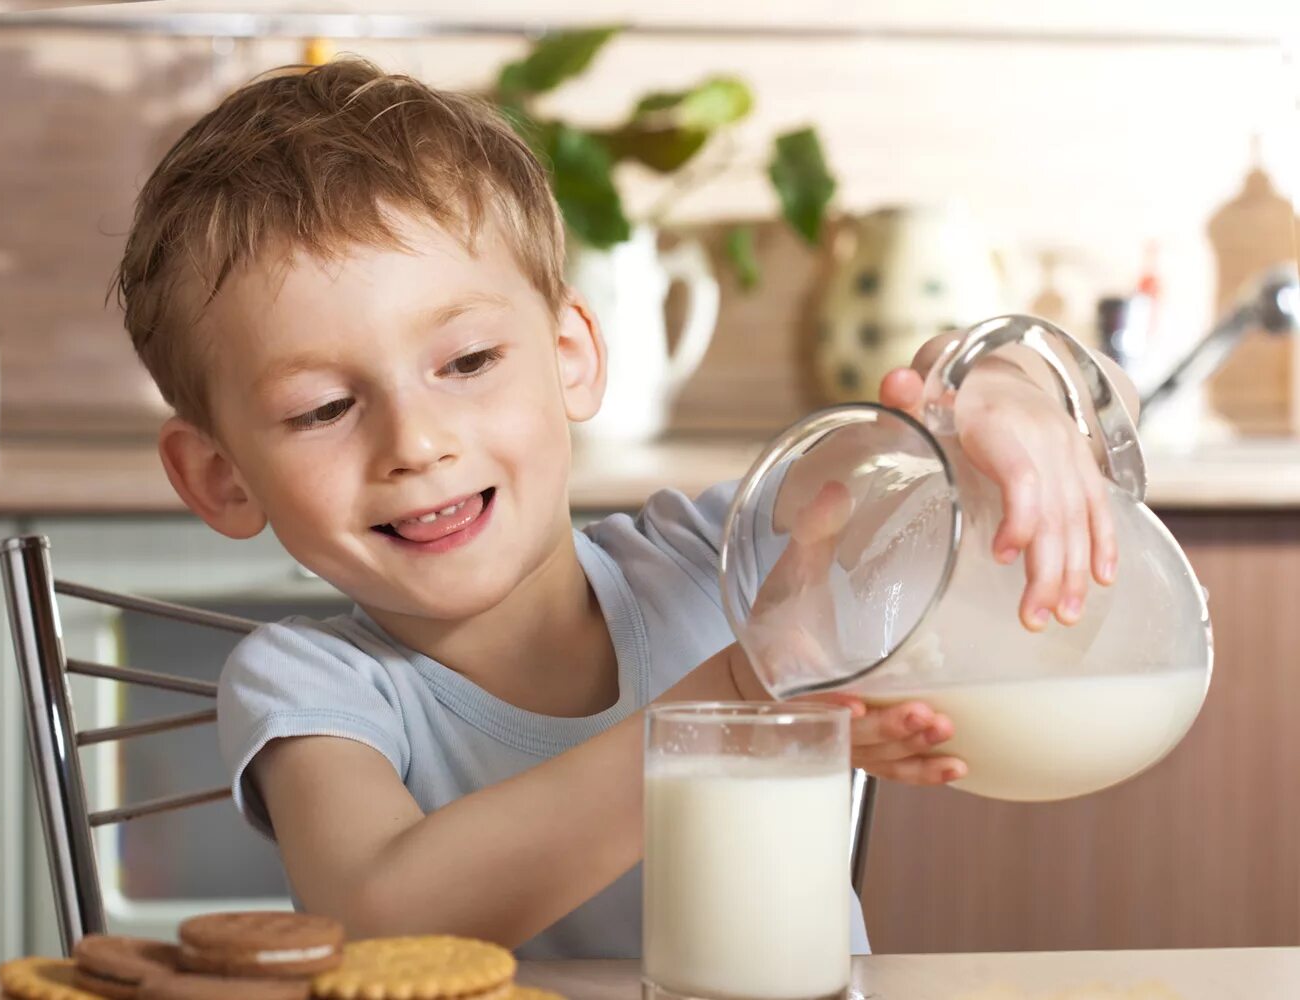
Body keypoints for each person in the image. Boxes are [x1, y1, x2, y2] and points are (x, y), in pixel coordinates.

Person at [113, 59, 1137, 959]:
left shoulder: (721, 556)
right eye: (323, 408)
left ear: (571, 358)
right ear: (221, 478)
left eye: (468, 361)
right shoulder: (314, 687)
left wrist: (1011, 394)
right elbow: (378, 917)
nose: (415, 443)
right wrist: (737, 696)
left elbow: (1056, 426)